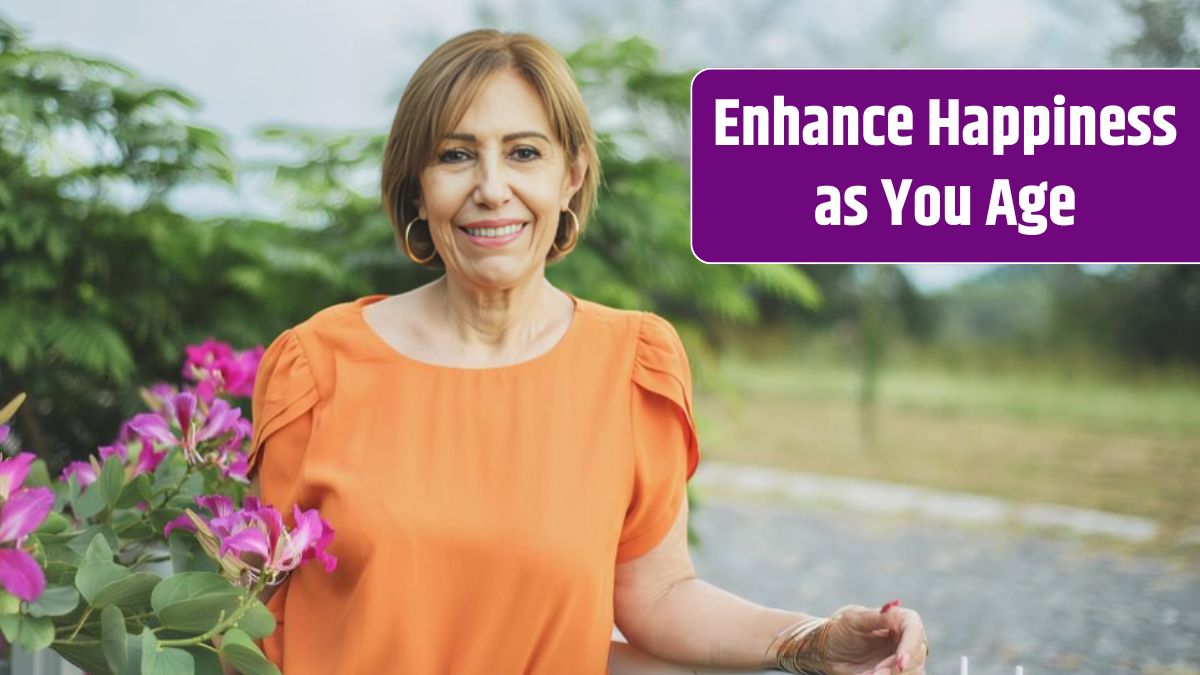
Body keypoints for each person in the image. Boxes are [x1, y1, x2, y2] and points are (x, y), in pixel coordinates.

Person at [246, 29, 929, 675]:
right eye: (455, 154)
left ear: (570, 176)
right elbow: (248, 621)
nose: (490, 186)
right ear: (416, 187)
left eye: (523, 152)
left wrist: (813, 640)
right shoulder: (316, 366)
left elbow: (658, 596)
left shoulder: (632, 363)